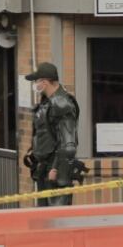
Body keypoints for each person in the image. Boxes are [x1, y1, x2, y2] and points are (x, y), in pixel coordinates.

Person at [25, 62, 79, 207]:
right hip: (43, 168)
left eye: (36, 81)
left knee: (57, 218)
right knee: (43, 218)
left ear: (44, 82)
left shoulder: (62, 104)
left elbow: (68, 143)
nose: (35, 84)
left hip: (55, 171)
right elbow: (45, 134)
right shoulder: (48, 102)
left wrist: (56, 168)